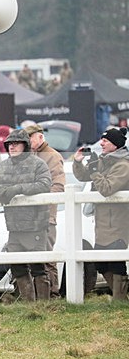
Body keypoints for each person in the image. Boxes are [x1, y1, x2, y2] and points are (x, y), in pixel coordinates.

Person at [0, 129, 52, 302]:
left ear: (26, 145)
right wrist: (0, 190)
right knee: (17, 266)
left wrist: (19, 189)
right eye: (9, 144)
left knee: (38, 267)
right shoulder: (3, 166)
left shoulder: (38, 164)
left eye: (16, 143)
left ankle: (43, 304)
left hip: (36, 224)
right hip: (14, 225)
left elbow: (45, 184)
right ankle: (29, 304)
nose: (12, 147)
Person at [72, 127, 129, 301]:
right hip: (102, 224)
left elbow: (106, 188)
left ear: (116, 145)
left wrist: (95, 170)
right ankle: (121, 299)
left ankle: (120, 300)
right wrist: (78, 162)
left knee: (116, 263)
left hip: (118, 223)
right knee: (101, 263)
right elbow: (83, 177)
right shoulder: (105, 160)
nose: (102, 143)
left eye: (106, 141)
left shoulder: (124, 165)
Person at [25, 123, 65, 297]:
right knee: (33, 257)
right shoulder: (29, 156)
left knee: (47, 256)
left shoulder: (52, 156)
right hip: (30, 215)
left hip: (46, 215)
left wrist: (41, 201)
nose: (27, 141)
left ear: (40, 137)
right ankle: (38, 296)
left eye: (30, 138)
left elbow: (58, 185)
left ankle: (53, 294)